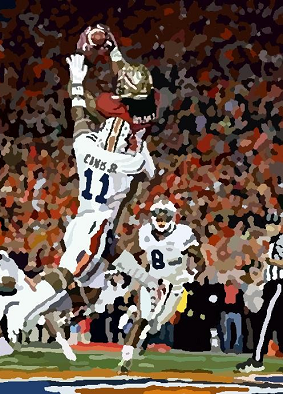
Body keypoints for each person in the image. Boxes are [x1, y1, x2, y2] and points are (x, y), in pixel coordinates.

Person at [21, 42, 156, 333]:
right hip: (97, 221)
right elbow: (143, 173)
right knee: (71, 271)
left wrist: (77, 81)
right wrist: (114, 51)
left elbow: (82, 115)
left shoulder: (85, 146)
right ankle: (24, 308)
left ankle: (51, 307)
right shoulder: (131, 159)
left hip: (88, 216)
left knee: (95, 280)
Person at [111, 199, 203, 373]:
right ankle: (125, 359)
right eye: (158, 216)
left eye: (165, 216)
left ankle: (137, 320)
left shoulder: (183, 234)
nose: (161, 220)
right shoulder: (145, 233)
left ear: (172, 218)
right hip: (153, 282)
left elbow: (200, 259)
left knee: (156, 325)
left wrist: (192, 274)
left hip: (175, 284)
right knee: (142, 318)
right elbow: (130, 253)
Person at [236, 214, 283, 373]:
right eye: (268, 224)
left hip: (279, 285)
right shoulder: (272, 242)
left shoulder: (280, 240)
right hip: (272, 284)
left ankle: (257, 360)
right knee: (277, 325)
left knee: (266, 322)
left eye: (272, 224)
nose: (269, 227)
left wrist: (271, 261)